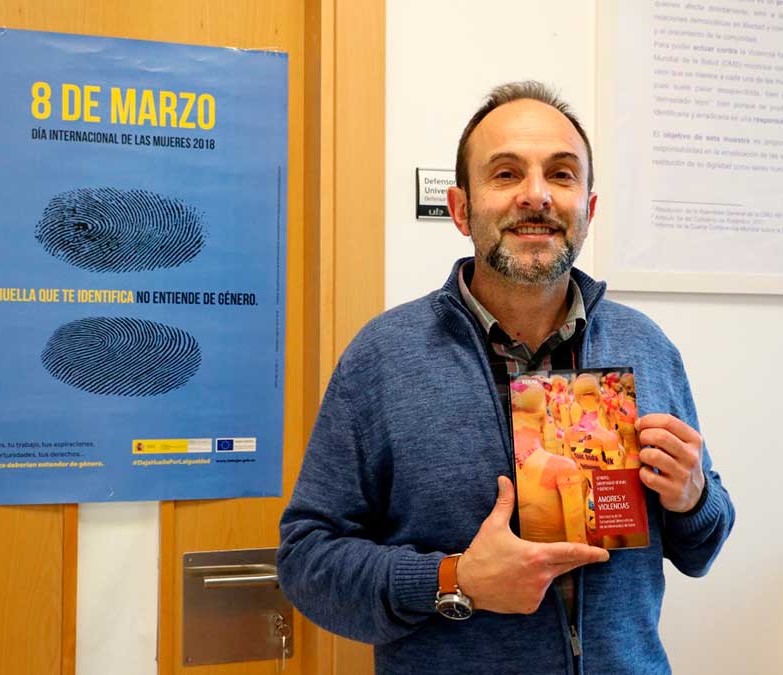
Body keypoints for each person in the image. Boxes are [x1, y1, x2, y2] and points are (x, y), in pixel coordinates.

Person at [278, 80, 734, 675]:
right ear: (462, 209)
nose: (537, 195)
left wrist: (694, 496)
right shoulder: (383, 358)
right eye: (506, 174)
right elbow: (306, 561)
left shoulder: (645, 347)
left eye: (563, 175)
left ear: (588, 210)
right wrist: (454, 579)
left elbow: (701, 547)